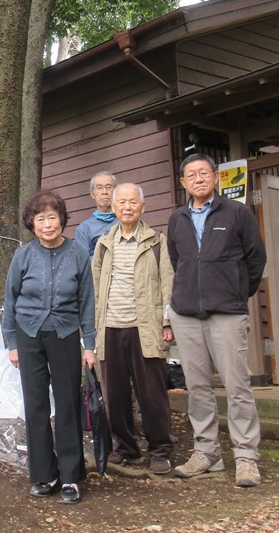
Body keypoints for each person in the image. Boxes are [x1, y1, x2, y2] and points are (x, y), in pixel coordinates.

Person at [167, 154, 266, 487]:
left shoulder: (237, 213)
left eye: (204, 173)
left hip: (226, 312)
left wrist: (236, 294)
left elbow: (256, 259)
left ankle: (246, 457)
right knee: (197, 388)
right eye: (191, 175)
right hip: (187, 314)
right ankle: (207, 453)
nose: (198, 179)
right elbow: (177, 259)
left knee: (237, 387)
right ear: (183, 182)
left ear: (215, 177)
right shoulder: (177, 218)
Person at [2, 190, 97, 504]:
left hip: (66, 334)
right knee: (36, 404)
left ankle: (70, 476)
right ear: (32, 223)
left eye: (52, 217)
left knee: (68, 403)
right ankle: (45, 474)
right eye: (40, 218)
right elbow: (10, 301)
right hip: (28, 335)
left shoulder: (78, 253)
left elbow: (87, 304)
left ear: (62, 220)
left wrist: (90, 345)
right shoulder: (23, 255)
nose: (47, 224)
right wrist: (12, 343)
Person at [92, 183, 174, 475]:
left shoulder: (156, 242)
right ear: (113, 208)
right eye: (121, 203)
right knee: (114, 394)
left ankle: (160, 450)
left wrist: (167, 322)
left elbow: (168, 284)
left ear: (143, 207)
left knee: (151, 393)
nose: (127, 207)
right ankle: (126, 448)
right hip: (110, 327)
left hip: (144, 327)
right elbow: (94, 288)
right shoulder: (103, 244)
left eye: (133, 202)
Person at [75, 172, 118, 259]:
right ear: (92, 194)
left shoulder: (126, 221)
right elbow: (83, 264)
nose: (104, 192)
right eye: (99, 188)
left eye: (109, 187)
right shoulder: (84, 229)